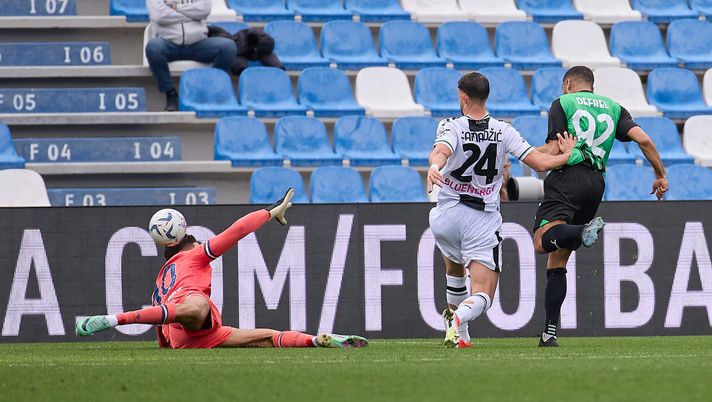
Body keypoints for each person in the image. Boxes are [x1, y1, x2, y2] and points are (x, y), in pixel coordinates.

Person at [76, 189, 368, 349]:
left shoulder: (162, 279)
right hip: (191, 311)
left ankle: (317, 340)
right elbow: (237, 231)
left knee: (265, 338)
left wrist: (168, 343)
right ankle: (113, 318)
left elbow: (162, 324)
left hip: (193, 337)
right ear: (186, 240)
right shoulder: (194, 255)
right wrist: (269, 211)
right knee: (196, 305)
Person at [427, 72, 577, 348]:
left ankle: (461, 338)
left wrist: (435, 166)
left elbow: (441, 152)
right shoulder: (503, 130)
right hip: (481, 217)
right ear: (486, 97)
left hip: (445, 213)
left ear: (463, 96)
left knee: (455, 270)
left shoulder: (450, 126)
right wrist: (569, 153)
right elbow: (540, 163)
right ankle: (457, 318)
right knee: (484, 294)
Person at [532, 66, 668, 347]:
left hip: (567, 179)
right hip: (595, 185)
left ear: (568, 83)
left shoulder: (563, 103)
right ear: (592, 86)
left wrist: (523, 151)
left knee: (541, 241)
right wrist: (660, 174)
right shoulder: (614, 107)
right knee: (558, 259)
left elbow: (556, 149)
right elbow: (643, 140)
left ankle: (581, 232)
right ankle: (549, 333)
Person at [145, 0, 238, 111]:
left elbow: (204, 10)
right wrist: (191, 16)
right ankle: (170, 93)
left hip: (198, 44)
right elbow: (160, 15)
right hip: (168, 44)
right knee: (153, 48)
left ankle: (209, 89)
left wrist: (176, 8)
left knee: (228, 47)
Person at [208, 25, 285, 77]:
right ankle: (242, 72)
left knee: (236, 57)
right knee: (238, 63)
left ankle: (278, 70)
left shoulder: (253, 35)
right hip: (241, 48)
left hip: (251, 46)